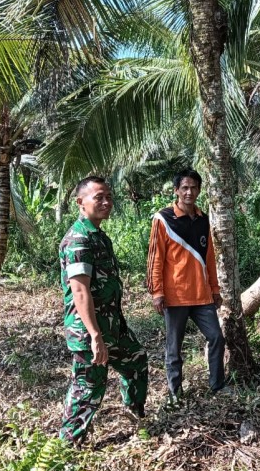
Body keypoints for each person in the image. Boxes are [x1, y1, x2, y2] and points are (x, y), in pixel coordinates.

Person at [58, 176, 149, 444]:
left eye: (109, 196)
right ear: (80, 202)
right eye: (99, 197)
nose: (107, 202)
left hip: (112, 326)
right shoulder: (79, 240)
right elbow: (80, 291)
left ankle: (135, 417)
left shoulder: (99, 237)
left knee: (136, 361)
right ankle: (67, 446)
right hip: (90, 331)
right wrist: (95, 336)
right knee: (88, 388)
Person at [146, 168, 226, 403]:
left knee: (217, 338)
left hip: (202, 296)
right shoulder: (163, 219)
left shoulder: (203, 220)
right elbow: (155, 258)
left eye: (193, 187)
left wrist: (215, 289)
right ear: (176, 191)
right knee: (174, 349)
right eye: (184, 188)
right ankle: (175, 393)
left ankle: (217, 386)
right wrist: (157, 292)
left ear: (199, 190)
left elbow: (209, 257)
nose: (189, 192)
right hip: (175, 296)